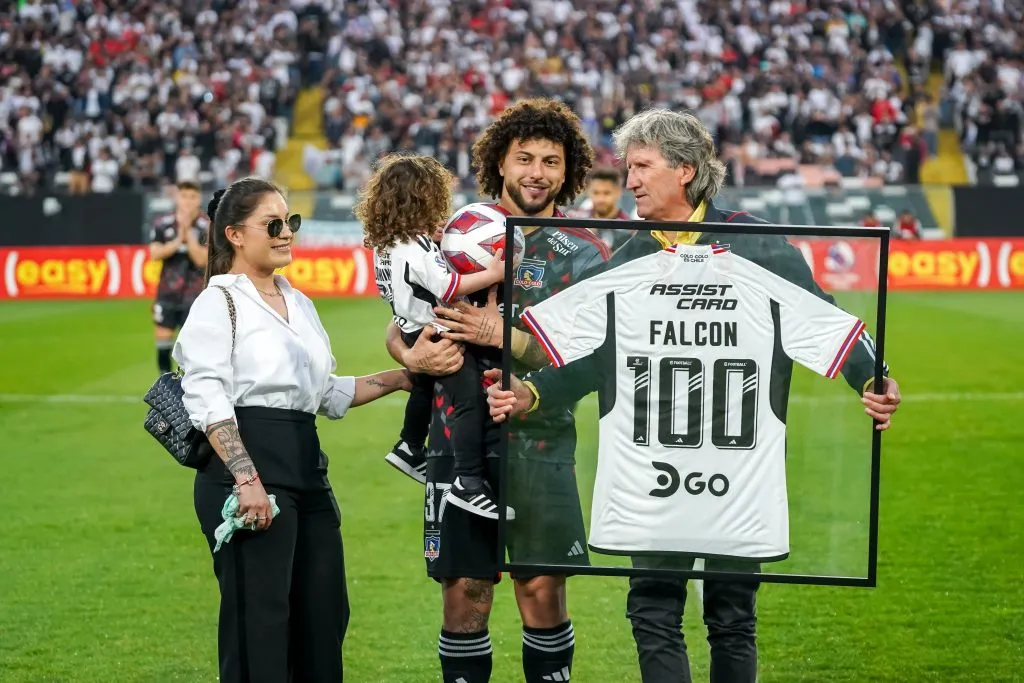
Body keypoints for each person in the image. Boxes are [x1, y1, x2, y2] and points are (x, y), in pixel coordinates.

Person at [484, 109, 903, 683]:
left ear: (684, 170)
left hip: (735, 471)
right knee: (654, 612)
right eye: (627, 167)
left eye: (640, 167)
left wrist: (872, 377)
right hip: (653, 475)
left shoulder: (755, 243)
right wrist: (534, 393)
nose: (628, 180)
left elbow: (822, 319)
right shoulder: (631, 253)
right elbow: (596, 357)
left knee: (732, 617)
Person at [384, 98, 609, 683]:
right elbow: (404, 316)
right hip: (455, 441)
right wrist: (411, 354)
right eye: (525, 158)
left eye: (551, 162)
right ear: (500, 165)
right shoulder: (460, 229)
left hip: (540, 443)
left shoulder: (584, 251)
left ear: (569, 171)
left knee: (540, 591)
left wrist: (501, 337)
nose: (537, 172)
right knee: (465, 594)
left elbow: (594, 357)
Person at [173, 176, 412, 683]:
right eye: (273, 224)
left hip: (306, 468)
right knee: (259, 626)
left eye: (291, 222)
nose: (287, 233)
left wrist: (404, 376)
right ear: (235, 235)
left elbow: (325, 393)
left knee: (325, 616)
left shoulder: (299, 303)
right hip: (246, 470)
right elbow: (208, 398)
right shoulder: (217, 304)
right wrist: (246, 480)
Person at [357, 153, 510, 519]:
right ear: (424, 199)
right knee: (469, 400)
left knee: (422, 384)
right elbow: (449, 283)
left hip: (410, 329)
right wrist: (493, 273)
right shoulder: (415, 247)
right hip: (435, 332)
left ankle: (409, 446)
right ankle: (468, 483)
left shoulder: (389, 244)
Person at [150, 180, 209, 373]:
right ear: (177, 197)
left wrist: (189, 236)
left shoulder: (206, 226)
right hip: (167, 293)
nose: (188, 201)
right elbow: (155, 254)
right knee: (162, 346)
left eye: (192, 197)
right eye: (184, 196)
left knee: (191, 350)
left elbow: (202, 260)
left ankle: (189, 392)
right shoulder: (162, 224)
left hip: (196, 297)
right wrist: (178, 240)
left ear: (199, 199)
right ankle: (165, 394)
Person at [566, 166, 634, 252]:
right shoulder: (573, 219)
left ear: (618, 192)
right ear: (588, 192)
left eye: (606, 193)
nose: (600, 199)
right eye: (596, 193)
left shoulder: (629, 228)